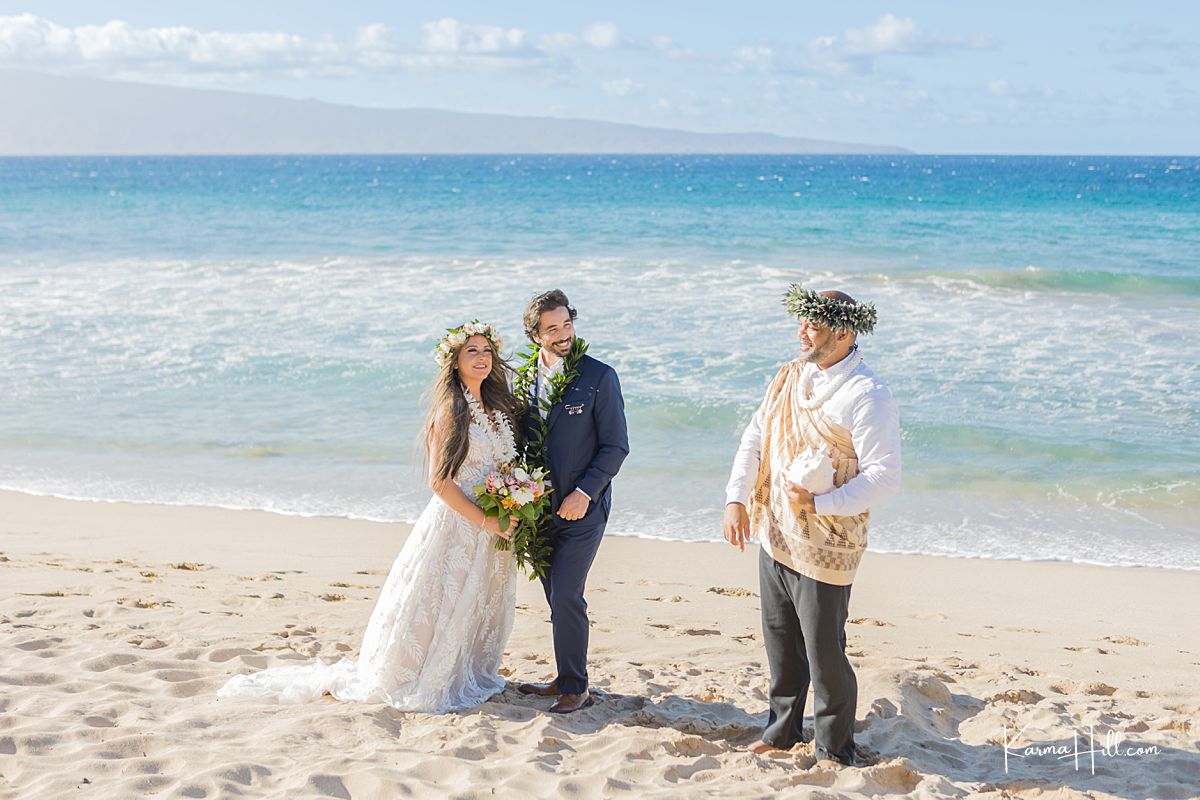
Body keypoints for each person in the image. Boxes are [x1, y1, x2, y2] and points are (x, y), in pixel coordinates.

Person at [218, 321, 523, 713]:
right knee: (440, 601)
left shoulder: (495, 409)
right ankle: (424, 675)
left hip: (490, 525)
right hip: (460, 523)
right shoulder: (452, 410)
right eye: (472, 351)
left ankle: (464, 670)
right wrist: (486, 520)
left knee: (474, 603)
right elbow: (439, 482)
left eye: (486, 351)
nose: (482, 358)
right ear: (455, 362)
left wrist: (512, 500)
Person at [723, 285, 901, 765]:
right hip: (776, 532)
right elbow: (756, 435)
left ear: (843, 332)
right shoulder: (790, 377)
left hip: (829, 542)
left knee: (825, 651)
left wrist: (821, 504)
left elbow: (885, 478)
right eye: (801, 323)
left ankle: (834, 747)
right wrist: (736, 498)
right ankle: (781, 732)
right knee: (780, 640)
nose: (802, 332)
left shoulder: (867, 394)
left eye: (814, 325)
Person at [515, 290, 629, 714]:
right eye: (552, 329)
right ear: (535, 336)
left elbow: (616, 447)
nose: (563, 335)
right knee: (554, 596)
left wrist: (584, 493)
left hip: (584, 508)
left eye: (567, 324)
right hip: (538, 512)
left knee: (567, 593)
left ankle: (576, 688)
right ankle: (564, 677)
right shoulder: (524, 380)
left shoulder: (599, 377)